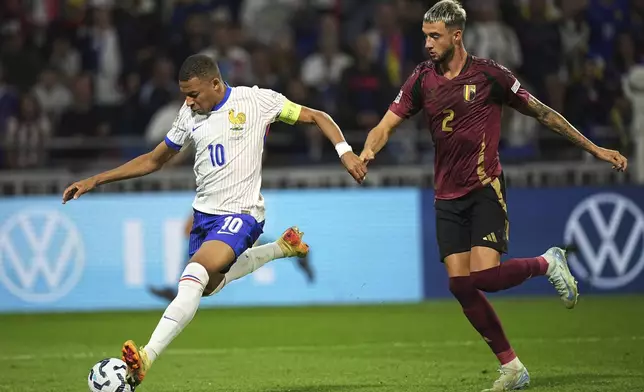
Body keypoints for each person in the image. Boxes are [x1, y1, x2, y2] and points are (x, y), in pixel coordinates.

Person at [358, 1, 628, 391]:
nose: (428, 44)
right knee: (460, 285)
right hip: (446, 197)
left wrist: (597, 150)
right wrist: (368, 152)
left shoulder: (489, 75)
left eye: (435, 36)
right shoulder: (421, 79)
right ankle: (513, 368)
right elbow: (386, 125)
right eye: (425, 36)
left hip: (484, 188)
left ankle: (547, 262)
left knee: (483, 277)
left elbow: (544, 113)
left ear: (456, 35)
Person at [62, 54, 366, 387]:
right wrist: (95, 180)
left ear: (215, 84)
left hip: (242, 213)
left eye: (193, 94)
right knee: (206, 286)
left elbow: (316, 115)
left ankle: (146, 357)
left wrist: (344, 150)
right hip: (205, 216)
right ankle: (281, 248)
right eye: (184, 94)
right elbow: (153, 160)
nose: (188, 101)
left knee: (194, 272)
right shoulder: (188, 115)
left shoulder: (257, 100)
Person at [148, 213, 315, 302]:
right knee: (263, 246)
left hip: (232, 231)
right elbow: (186, 230)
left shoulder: (207, 206)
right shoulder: (205, 205)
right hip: (227, 233)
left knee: (262, 246)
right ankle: (179, 291)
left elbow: (186, 230)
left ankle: (179, 291)